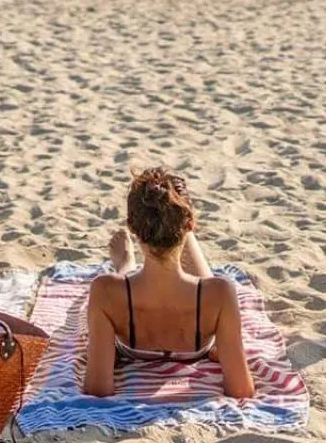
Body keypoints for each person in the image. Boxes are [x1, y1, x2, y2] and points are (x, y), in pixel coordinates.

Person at [83, 167, 255, 400]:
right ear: (192, 223)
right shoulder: (221, 292)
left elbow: (97, 390)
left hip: (130, 309)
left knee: (126, 278)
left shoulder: (103, 290)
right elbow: (242, 391)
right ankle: (173, 225)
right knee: (204, 280)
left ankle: (127, 262)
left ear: (132, 227)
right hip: (197, 330)